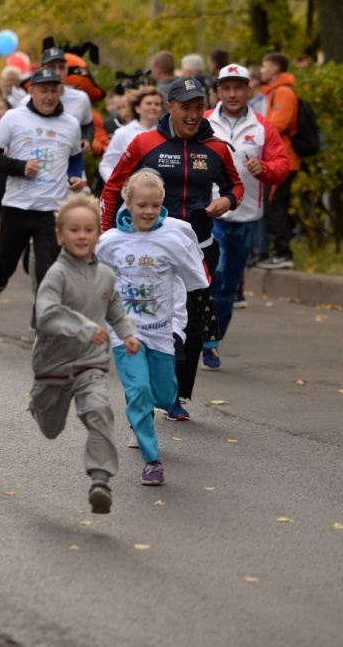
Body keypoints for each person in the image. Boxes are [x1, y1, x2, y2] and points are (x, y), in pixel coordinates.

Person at [100, 76, 243, 421]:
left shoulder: (217, 148)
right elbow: (112, 189)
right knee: (152, 318)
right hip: (149, 248)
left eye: (199, 107)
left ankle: (176, 395)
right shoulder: (144, 143)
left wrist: (226, 201)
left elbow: (235, 186)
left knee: (193, 323)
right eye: (186, 108)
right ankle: (147, 389)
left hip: (198, 248)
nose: (193, 115)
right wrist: (110, 239)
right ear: (170, 108)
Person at [96, 170, 209, 486]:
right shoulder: (109, 243)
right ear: (128, 203)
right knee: (139, 390)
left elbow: (195, 282)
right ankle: (152, 461)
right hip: (126, 333)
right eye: (142, 204)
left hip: (161, 333)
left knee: (164, 393)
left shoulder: (173, 240)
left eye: (155, 205)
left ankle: (157, 403)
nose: (148, 211)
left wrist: (203, 318)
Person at [30, 194, 139, 513]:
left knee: (99, 410)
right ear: (60, 235)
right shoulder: (56, 275)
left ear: (97, 234)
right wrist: (83, 327)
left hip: (90, 364)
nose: (81, 236)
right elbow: (47, 314)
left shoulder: (106, 275)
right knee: (51, 430)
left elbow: (116, 311)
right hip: (52, 366)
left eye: (88, 229)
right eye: (74, 230)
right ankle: (38, 400)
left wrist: (128, 334)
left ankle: (100, 480)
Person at [201, 64, 289, 369]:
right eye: (226, 88)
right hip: (209, 213)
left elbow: (282, 165)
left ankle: (213, 339)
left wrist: (264, 169)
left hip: (247, 215)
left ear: (248, 90)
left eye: (239, 87)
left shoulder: (263, 127)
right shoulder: (204, 122)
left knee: (228, 285)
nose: (233, 94)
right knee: (216, 272)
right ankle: (201, 335)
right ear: (218, 91)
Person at [0, 67, 86, 315]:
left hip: (51, 211)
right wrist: (19, 167)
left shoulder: (70, 124)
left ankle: (42, 323)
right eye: (43, 91)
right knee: (6, 264)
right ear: (32, 91)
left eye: (53, 90)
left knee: (48, 271)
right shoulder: (13, 118)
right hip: (17, 205)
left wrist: (75, 176)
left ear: (60, 91)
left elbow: (75, 158)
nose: (49, 96)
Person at [256, 53, 300, 270]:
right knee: (273, 205)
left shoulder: (282, 92)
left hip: (283, 160)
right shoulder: (273, 92)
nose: (261, 70)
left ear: (274, 69)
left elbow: (278, 123)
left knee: (274, 205)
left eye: (264, 66)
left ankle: (283, 252)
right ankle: (279, 251)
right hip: (276, 158)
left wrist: (255, 130)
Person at [99, 87, 163, 184]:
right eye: (148, 103)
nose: (153, 107)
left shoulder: (167, 133)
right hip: (130, 194)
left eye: (157, 104)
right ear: (137, 108)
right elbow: (106, 165)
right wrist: (117, 186)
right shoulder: (122, 133)